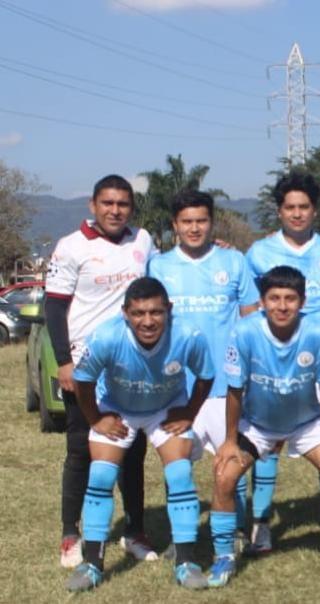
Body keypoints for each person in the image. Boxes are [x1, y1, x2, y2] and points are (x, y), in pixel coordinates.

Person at [206, 266, 320, 586]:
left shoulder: (318, 333)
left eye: (290, 298)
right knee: (224, 474)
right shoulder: (245, 332)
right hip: (258, 424)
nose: (282, 306)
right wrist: (230, 441)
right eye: (274, 298)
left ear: (302, 301)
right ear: (262, 301)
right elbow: (234, 389)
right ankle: (224, 557)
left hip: (306, 423)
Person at [64, 278, 214, 591]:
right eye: (138, 313)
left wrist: (189, 412)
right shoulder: (106, 335)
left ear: (169, 310)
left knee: (181, 473)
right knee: (101, 477)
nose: (147, 321)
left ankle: (186, 561)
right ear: (125, 313)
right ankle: (92, 563)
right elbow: (83, 381)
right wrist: (96, 419)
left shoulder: (188, 335)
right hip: (118, 409)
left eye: (156, 313)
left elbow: (206, 376)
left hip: (165, 408)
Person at [243, 172, 320, 553]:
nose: (297, 214)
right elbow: (248, 309)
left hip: (318, 367)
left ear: (315, 210)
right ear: (279, 211)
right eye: (290, 207)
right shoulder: (259, 253)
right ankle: (260, 523)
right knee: (266, 447)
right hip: (272, 366)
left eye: (304, 207)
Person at [45, 174, 157, 567]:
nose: (115, 210)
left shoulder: (142, 241)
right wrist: (64, 362)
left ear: (131, 207)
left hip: (132, 367)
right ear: (93, 205)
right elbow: (54, 308)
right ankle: (70, 535)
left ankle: (134, 532)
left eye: (123, 204)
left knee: (132, 450)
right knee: (80, 450)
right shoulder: (70, 247)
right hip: (85, 367)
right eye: (107, 203)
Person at [148, 190, 259, 548]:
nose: (194, 228)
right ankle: (182, 537)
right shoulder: (159, 266)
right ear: (174, 225)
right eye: (187, 222)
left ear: (212, 223)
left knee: (231, 460)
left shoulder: (234, 262)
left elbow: (250, 318)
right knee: (177, 464)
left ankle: (238, 529)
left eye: (201, 221)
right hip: (179, 386)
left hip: (226, 385)